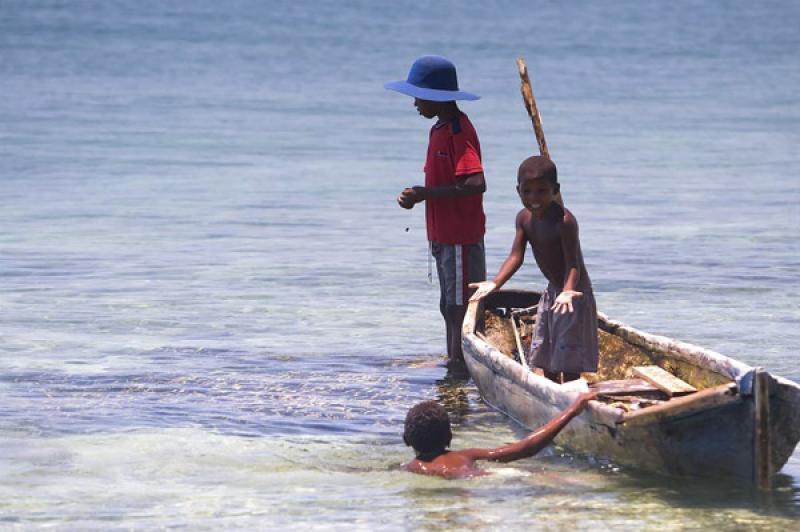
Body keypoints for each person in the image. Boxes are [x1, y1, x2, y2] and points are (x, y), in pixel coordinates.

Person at [385, 55, 487, 366]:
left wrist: (424, 194)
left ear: (434, 97)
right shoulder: (440, 129)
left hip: (459, 236)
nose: (415, 103)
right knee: (448, 305)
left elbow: (475, 182)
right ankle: (452, 359)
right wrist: (421, 195)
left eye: (418, 97)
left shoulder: (459, 130)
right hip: (444, 236)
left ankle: (459, 365)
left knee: (459, 306)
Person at [470, 156, 598, 384]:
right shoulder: (523, 219)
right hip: (552, 293)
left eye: (541, 191)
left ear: (555, 190)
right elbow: (516, 256)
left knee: (567, 360)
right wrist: (495, 283)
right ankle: (548, 391)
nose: (534, 199)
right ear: (518, 190)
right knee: (546, 355)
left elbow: (572, 264)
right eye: (527, 192)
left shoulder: (565, 221)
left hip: (573, 296)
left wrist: (568, 290)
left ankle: (568, 392)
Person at [402, 392, 596, 479]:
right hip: (490, 478)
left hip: (481, 482)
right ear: (450, 436)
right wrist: (572, 410)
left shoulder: (408, 468)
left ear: (406, 439)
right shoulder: (465, 456)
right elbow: (527, 447)